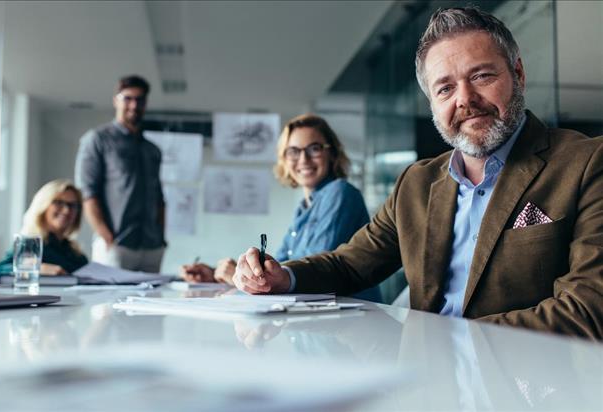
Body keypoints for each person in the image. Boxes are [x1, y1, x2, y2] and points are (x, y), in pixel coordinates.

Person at [232, 7, 603, 339]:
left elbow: (590, 307)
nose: (464, 99)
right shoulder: (416, 183)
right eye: (445, 88)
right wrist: (284, 276)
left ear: (518, 74)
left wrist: (444, 340)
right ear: (432, 103)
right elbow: (349, 264)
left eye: (482, 76)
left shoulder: (586, 162)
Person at [181, 114, 383, 302]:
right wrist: (226, 274)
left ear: (331, 153)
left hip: (353, 322)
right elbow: (281, 267)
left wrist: (244, 274)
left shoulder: (339, 192)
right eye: (293, 151)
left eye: (314, 148)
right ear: (284, 159)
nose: (303, 159)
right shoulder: (304, 207)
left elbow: (314, 269)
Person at [75, 75, 166, 273]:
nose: (134, 105)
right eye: (128, 98)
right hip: (116, 245)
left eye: (140, 99)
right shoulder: (97, 140)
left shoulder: (153, 150)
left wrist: (161, 238)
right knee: (108, 304)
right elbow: (88, 193)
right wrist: (106, 236)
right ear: (116, 100)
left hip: (152, 246)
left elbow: (159, 197)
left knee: (152, 303)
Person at [0, 179, 88, 282]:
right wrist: (37, 267)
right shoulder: (30, 244)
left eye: (72, 205)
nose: (66, 210)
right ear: (43, 205)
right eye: (59, 202)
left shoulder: (75, 253)